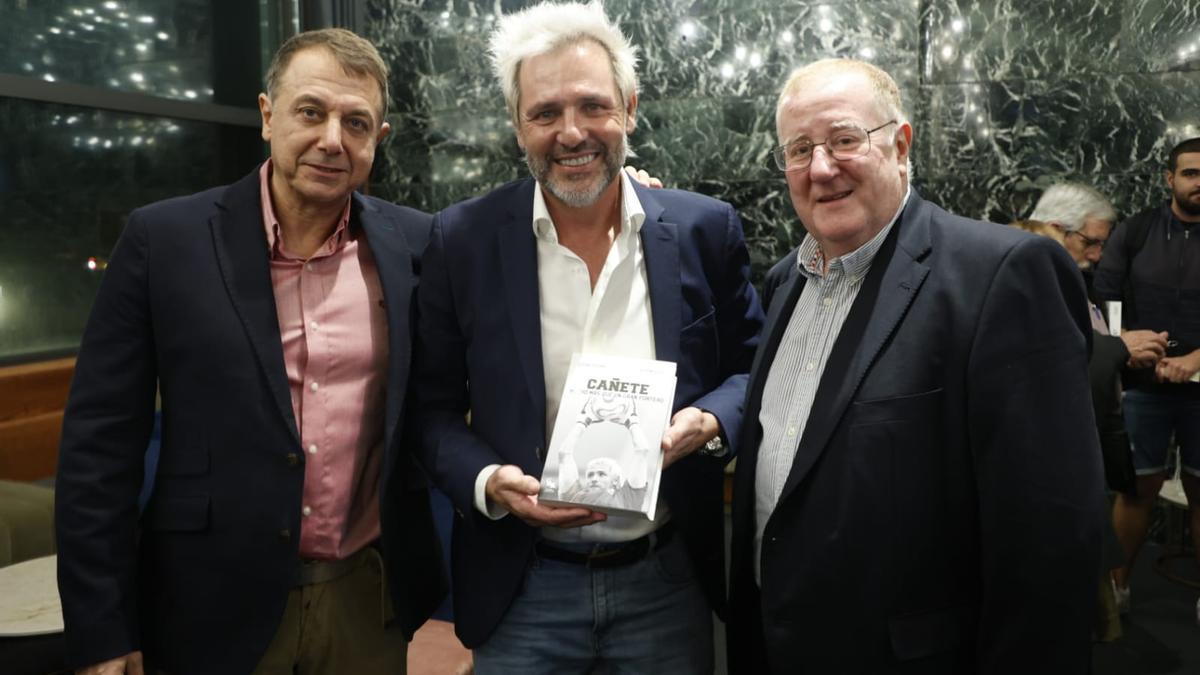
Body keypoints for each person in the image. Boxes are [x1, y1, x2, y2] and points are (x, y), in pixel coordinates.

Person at [54, 28, 445, 675]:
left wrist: (620, 202)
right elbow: (99, 447)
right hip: (207, 603)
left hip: (366, 600)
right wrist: (101, 628)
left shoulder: (416, 244)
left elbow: (506, 274)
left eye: (356, 122)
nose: (331, 139)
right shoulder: (164, 241)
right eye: (311, 112)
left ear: (378, 138)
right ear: (267, 115)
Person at [412, 1, 764, 671]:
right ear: (519, 127)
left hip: (664, 578)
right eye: (545, 113)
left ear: (629, 108)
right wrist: (489, 480)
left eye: (592, 106)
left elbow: (755, 367)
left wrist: (708, 421)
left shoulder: (702, 230)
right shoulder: (462, 241)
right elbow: (428, 408)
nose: (572, 133)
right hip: (524, 582)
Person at [726, 58, 1103, 673]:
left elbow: (1051, 540)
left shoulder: (1000, 275)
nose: (821, 168)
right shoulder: (783, 283)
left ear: (900, 145)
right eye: (799, 150)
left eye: (844, 140)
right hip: (778, 644)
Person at [1095, 137, 1200, 620]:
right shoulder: (1134, 232)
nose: (1199, 183)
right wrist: (1125, 343)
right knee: (1137, 490)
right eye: (1190, 174)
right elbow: (1107, 295)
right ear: (1169, 179)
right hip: (1142, 388)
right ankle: (1116, 594)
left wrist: (1197, 359)